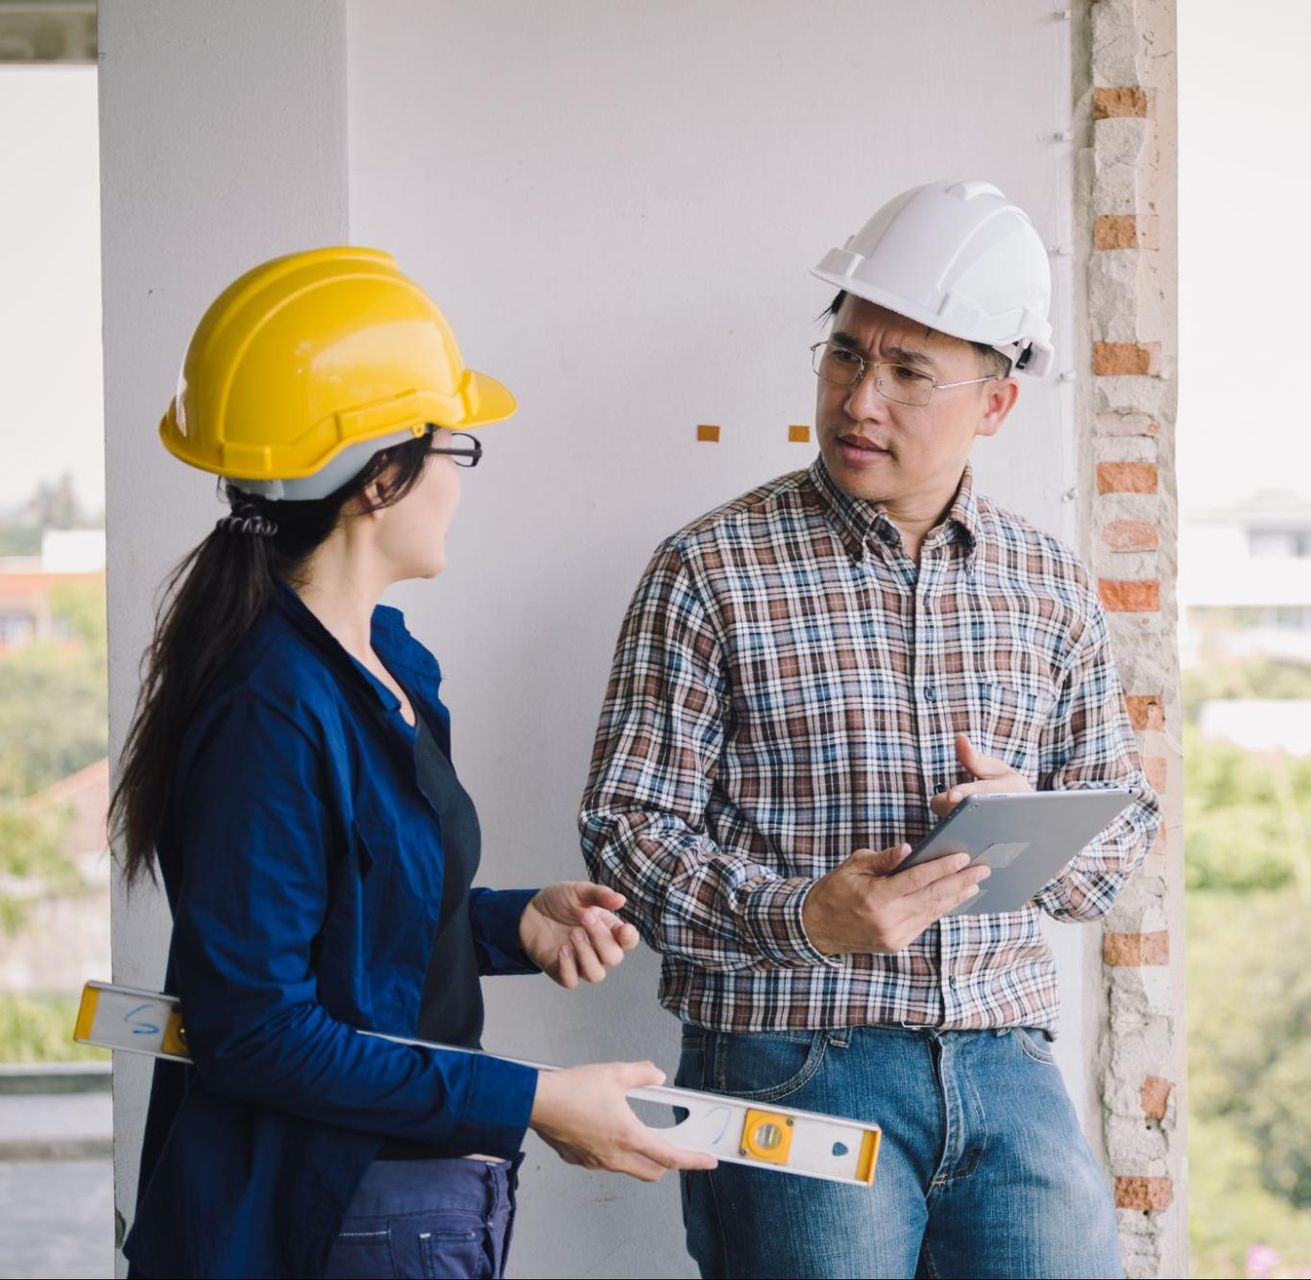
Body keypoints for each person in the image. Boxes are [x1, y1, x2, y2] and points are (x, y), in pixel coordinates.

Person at [579, 181, 1161, 1278]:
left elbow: (1117, 849)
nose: (860, 398)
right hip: (796, 1062)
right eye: (846, 354)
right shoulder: (710, 570)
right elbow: (624, 832)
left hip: (1007, 1067)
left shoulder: (1049, 584)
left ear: (994, 406)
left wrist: (1030, 824)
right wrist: (805, 915)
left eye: (907, 372)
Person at [113, 247, 714, 1280]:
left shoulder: (388, 660)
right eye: (453, 449)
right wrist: (531, 1096)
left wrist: (508, 921)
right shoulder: (272, 705)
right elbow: (256, 1030)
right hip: (336, 1212)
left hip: (421, 1201)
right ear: (379, 477)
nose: (458, 480)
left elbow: (352, 930)